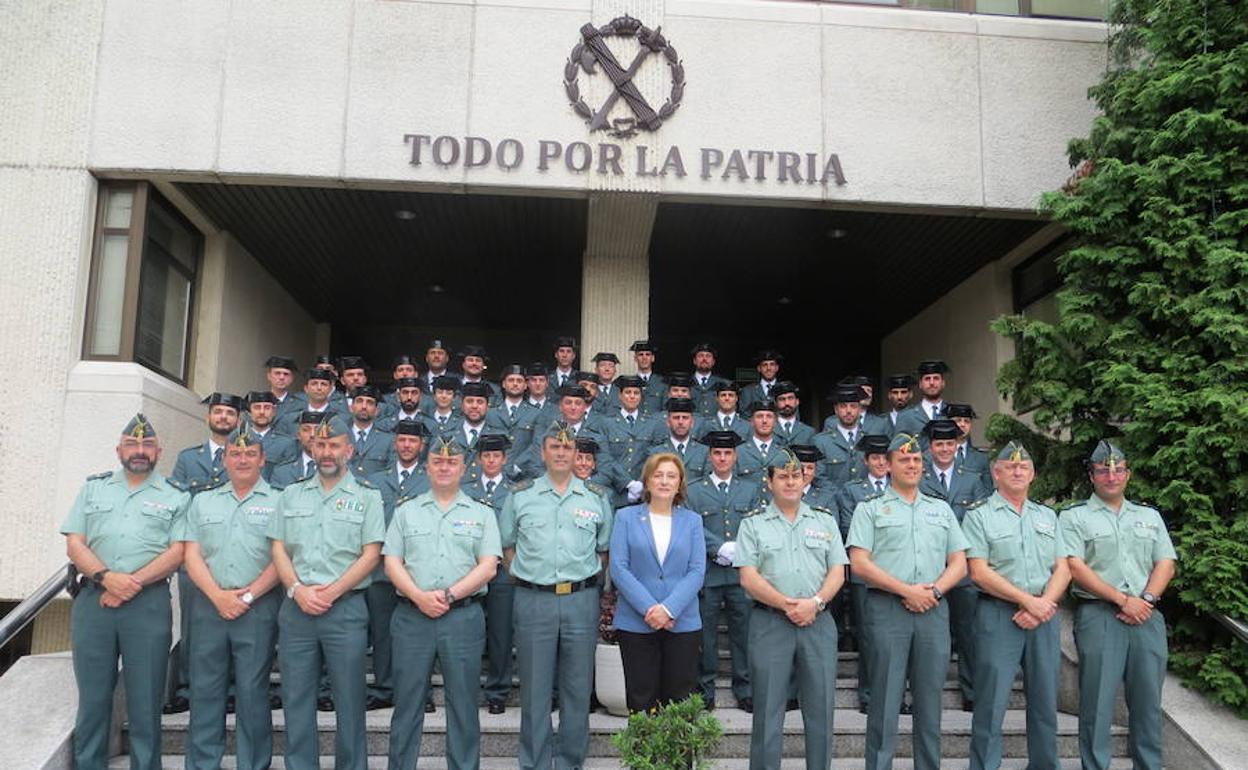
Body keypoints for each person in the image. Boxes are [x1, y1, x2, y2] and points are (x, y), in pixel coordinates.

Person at [60, 414, 189, 770]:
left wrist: (129, 584)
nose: (140, 451)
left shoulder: (176, 496)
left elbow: (178, 552)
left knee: (146, 699)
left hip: (147, 605)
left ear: (159, 451)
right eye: (132, 444)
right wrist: (106, 577)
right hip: (94, 602)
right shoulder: (94, 488)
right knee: (93, 697)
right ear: (119, 449)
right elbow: (75, 543)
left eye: (147, 445)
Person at [847, 432, 969, 770]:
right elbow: (859, 563)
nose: (912, 464)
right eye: (904, 459)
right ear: (888, 465)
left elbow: (959, 562)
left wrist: (934, 592)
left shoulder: (940, 509)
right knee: (885, 701)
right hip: (888, 611)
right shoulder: (870, 509)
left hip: (933, 609)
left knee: (930, 702)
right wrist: (907, 590)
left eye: (916, 459)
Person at [269, 415, 385, 770]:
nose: (327, 452)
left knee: (349, 700)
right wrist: (297, 589)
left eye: (334, 445)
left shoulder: (368, 497)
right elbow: (278, 549)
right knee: (297, 698)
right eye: (321, 445)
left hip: (345, 610)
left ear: (348, 450)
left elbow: (371, 554)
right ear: (311, 448)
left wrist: (331, 592)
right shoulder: (290, 495)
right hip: (297, 610)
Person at [499, 421, 614, 770]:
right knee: (534, 690)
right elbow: (507, 547)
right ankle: (533, 762)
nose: (561, 453)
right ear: (542, 451)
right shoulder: (521, 495)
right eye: (554, 446)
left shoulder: (596, 497)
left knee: (578, 688)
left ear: (577, 453)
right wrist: (532, 577)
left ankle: (570, 761)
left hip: (580, 600)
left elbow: (603, 550)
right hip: (534, 600)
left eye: (567, 447)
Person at [384, 435, 500, 770]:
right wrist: (419, 597)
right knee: (406, 704)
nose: (444, 467)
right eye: (438, 461)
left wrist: (449, 595)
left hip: (462, 618)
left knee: (463, 705)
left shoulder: (481, 513)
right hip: (412, 617)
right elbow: (392, 562)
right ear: (427, 467)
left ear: (465, 468)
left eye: (452, 462)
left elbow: (489, 565)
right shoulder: (406, 511)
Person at [1060, 441, 1177, 770]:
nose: (1111, 476)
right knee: (1097, 702)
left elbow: (1165, 562)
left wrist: (1147, 600)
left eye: (1118, 470)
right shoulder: (1074, 517)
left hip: (1147, 616)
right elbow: (1075, 565)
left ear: (1128, 474)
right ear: (1092, 476)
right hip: (1099, 615)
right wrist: (1123, 599)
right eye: (1102, 471)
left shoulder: (1148, 515)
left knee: (1148, 703)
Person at [737, 448, 847, 770]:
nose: (790, 482)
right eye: (782, 476)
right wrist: (788, 605)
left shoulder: (824, 521)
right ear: (769, 482)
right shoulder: (753, 524)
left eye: (795, 475)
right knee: (769, 711)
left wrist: (814, 603)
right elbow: (748, 576)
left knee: (821, 712)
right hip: (771, 623)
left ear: (805, 479)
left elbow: (838, 571)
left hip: (818, 622)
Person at [962, 441, 1070, 770]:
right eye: (1010, 466)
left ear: (1033, 474)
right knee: (991, 703)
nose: (1018, 471)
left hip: (1044, 616)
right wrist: (1028, 602)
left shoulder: (1047, 516)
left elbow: (1063, 567)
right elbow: (978, 571)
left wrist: (1044, 604)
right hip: (998, 615)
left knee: (1044, 701)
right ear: (996, 473)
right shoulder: (979, 515)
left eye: (1024, 467)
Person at [181, 424, 282, 770]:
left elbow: (282, 557)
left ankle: (253, 764)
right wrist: (217, 595)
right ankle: (203, 763)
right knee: (205, 690)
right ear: (224, 459)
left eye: (250, 453)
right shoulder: (203, 500)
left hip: (258, 607)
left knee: (253, 693)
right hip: (209, 605)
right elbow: (191, 553)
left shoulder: (280, 501)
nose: (242, 459)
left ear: (263, 459)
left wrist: (248, 596)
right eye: (235, 453)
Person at [609, 453, 707, 712]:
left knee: (680, 702)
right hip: (636, 622)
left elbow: (697, 570)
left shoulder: (693, 521)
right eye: (658, 475)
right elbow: (619, 568)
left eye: (671, 476)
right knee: (641, 700)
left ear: (680, 484)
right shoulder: (625, 518)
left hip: (682, 622)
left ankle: (677, 755)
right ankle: (643, 755)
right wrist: (650, 609)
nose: (664, 481)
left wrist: (668, 609)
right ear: (647, 481)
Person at [685, 430, 762, 711]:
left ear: (735, 456)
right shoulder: (694, 490)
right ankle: (705, 690)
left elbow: (757, 527)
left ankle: (744, 688)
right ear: (709, 456)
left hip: (741, 576)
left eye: (727, 453)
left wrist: (738, 548)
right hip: (708, 573)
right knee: (705, 636)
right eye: (717, 453)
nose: (722, 458)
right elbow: (692, 525)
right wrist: (718, 547)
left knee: (743, 634)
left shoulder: (750, 489)